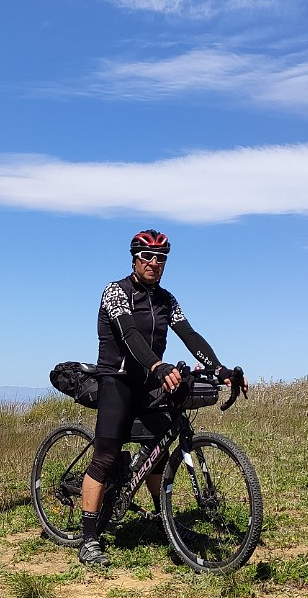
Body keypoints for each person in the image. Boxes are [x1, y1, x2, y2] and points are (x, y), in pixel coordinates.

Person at [78, 229, 247, 566]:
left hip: (150, 381)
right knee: (106, 457)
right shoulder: (116, 292)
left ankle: (162, 520)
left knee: (159, 447)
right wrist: (157, 364)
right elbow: (128, 334)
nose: (154, 263)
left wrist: (221, 369)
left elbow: (189, 334)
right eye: (147, 257)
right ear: (134, 259)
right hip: (117, 380)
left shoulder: (167, 300)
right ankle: (89, 539)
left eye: (161, 258)